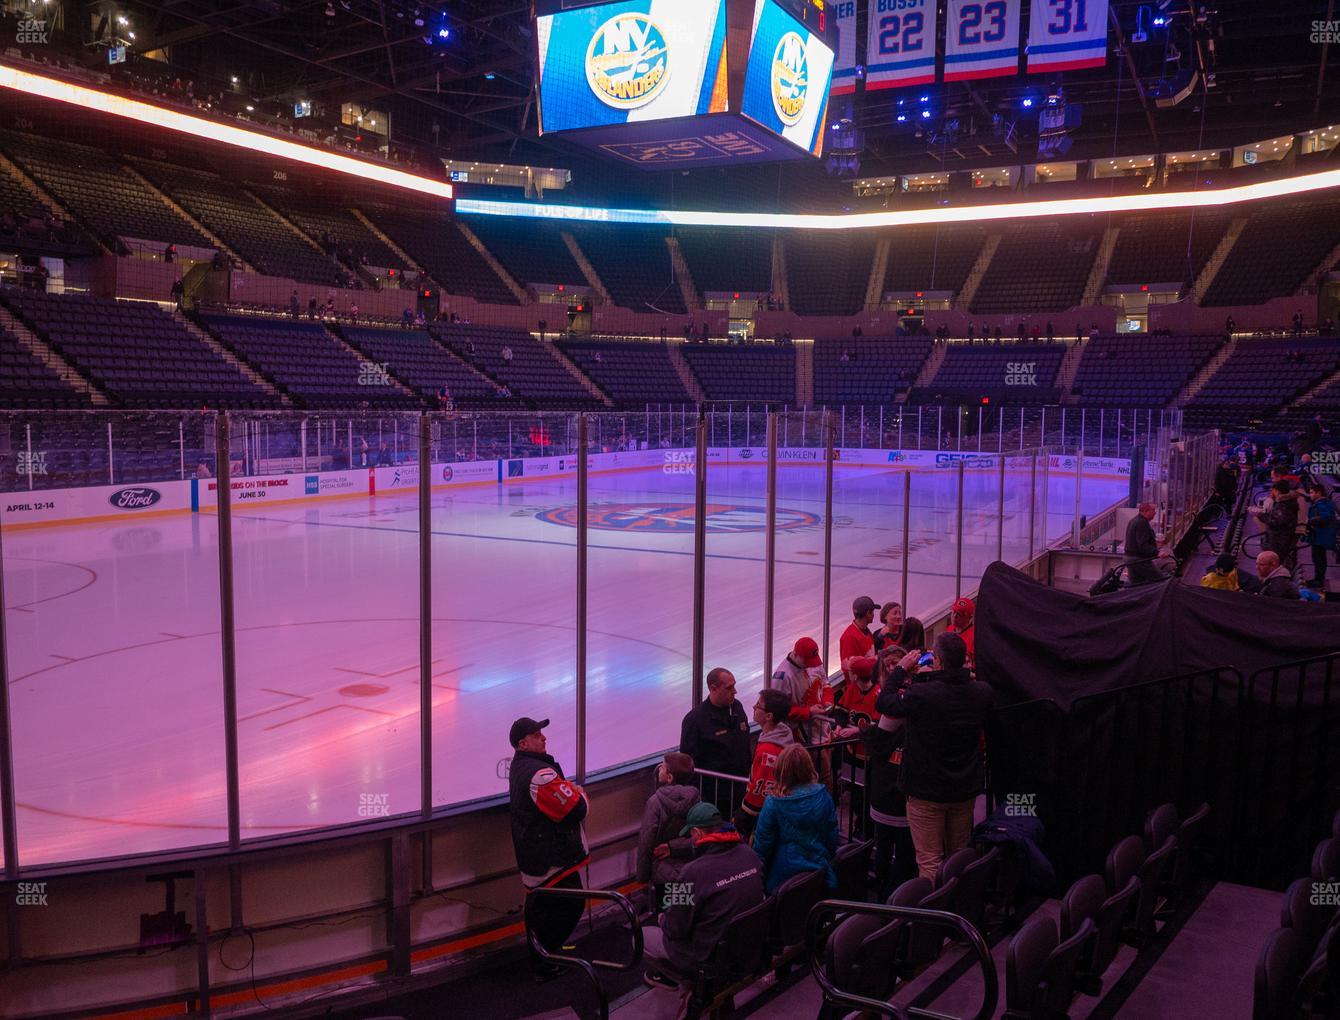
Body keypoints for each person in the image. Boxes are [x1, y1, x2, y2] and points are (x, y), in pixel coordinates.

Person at [876, 633, 993, 881]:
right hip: (963, 790)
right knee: (958, 857)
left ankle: (931, 917)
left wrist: (899, 671)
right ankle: (958, 911)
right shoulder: (981, 692)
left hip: (926, 792)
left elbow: (885, 703)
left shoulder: (923, 694)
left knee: (929, 863)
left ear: (937, 660)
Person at [640, 802, 765, 992]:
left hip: (708, 958)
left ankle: (686, 984)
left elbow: (675, 928)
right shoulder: (750, 855)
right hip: (747, 948)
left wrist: (664, 918)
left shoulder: (692, 873)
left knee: (640, 936)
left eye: (690, 834)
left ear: (697, 833)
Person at [507, 717, 589, 974]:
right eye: (536, 735)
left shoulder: (524, 766)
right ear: (523, 744)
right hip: (550, 857)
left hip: (539, 852)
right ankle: (545, 958)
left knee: (544, 906)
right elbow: (577, 808)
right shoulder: (539, 775)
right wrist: (580, 794)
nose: (543, 738)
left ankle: (545, 955)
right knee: (568, 904)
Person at [751, 744, 839, 894]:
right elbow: (832, 838)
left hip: (783, 878)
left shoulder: (773, 803)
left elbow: (762, 848)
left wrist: (756, 880)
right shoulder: (824, 796)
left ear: (781, 770)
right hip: (818, 871)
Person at [679, 668, 751, 814]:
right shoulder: (695, 720)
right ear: (713, 688)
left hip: (741, 787)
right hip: (715, 795)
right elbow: (688, 763)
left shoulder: (737, 707)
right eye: (729, 688)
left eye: (734, 685)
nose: (735, 691)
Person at [636, 752, 700, 912]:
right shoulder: (696, 799)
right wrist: (676, 847)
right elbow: (699, 836)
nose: (659, 770)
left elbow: (646, 840)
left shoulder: (655, 802)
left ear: (670, 777)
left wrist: (643, 876)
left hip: (664, 872)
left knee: (666, 917)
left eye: (663, 767)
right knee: (684, 912)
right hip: (689, 868)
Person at [735, 688, 795, 839]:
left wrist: (742, 819)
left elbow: (759, 795)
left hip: (765, 820)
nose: (754, 707)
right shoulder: (780, 734)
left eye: (758, 705)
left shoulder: (769, 752)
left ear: (769, 716)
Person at [772, 637, 833, 738]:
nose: (810, 665)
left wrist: (828, 701)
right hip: (801, 735)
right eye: (807, 661)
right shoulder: (783, 677)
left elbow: (825, 684)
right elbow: (778, 710)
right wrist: (808, 711)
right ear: (796, 655)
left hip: (821, 727)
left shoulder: (814, 662)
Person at [1254, 481, 1303, 571]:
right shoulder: (1287, 502)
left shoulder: (1283, 504)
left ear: (1277, 491)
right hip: (1280, 539)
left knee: (1273, 565)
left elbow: (1276, 521)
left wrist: (1259, 515)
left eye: (1273, 490)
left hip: (1278, 540)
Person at [1305, 482, 1337, 589]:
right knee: (1319, 559)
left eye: (1312, 492)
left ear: (1319, 493)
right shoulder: (1325, 503)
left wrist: (1310, 521)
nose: (1310, 495)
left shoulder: (1322, 504)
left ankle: (1318, 581)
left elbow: (1326, 517)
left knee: (1319, 559)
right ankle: (1317, 579)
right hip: (1320, 536)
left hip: (1320, 536)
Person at [840, 596, 878, 684]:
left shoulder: (866, 631)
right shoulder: (849, 637)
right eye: (872, 612)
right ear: (868, 613)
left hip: (870, 683)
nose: (873, 615)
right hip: (861, 690)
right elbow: (850, 669)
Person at [1125, 502, 1162, 586]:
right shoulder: (1141, 523)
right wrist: (1158, 552)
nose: (1155, 512)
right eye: (1153, 510)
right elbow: (1143, 545)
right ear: (1146, 511)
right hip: (1138, 559)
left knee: (1136, 585)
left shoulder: (1134, 521)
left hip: (1130, 558)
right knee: (1160, 580)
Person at [947, 597, 976, 664]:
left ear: (970, 617)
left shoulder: (975, 637)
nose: (954, 616)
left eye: (959, 614)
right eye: (954, 611)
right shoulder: (949, 629)